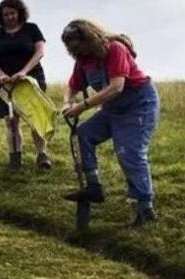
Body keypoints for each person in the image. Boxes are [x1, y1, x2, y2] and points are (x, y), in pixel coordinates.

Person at [60, 20, 160, 228]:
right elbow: (73, 85)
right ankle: (93, 186)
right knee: (83, 134)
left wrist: (82, 106)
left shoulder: (115, 49)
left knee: (129, 152)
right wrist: (67, 101)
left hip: (138, 105)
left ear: (89, 37)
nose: (75, 51)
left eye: (77, 46)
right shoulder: (83, 60)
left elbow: (116, 87)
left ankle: (145, 207)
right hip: (112, 109)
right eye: (71, 48)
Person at [0, 0, 51, 170]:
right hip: (6, 82)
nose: (9, 17)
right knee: (11, 121)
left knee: (35, 117)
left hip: (30, 79)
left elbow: (40, 52)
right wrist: (1, 75)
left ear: (19, 13)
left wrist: (24, 71)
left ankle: (42, 155)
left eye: (12, 13)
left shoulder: (32, 29)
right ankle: (15, 159)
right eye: (6, 14)